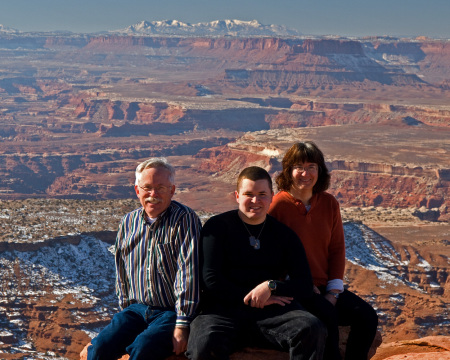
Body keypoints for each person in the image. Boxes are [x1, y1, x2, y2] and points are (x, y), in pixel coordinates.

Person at [186, 166, 326, 360]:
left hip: (272, 313)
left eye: (262, 194)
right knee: (203, 343)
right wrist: (253, 297)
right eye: (248, 194)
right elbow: (211, 280)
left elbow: (304, 284)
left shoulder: (284, 235)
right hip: (222, 311)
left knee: (311, 328)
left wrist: (271, 287)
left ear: (271, 196)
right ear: (237, 196)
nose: (255, 201)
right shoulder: (217, 228)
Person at [268, 141, 378, 360]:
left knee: (367, 317)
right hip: (297, 287)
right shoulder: (278, 206)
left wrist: (334, 291)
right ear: (289, 170)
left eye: (312, 167)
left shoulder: (329, 203)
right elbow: (271, 255)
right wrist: (301, 283)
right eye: (299, 166)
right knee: (326, 319)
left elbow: (336, 248)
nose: (306, 173)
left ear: (320, 171)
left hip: (325, 286)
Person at [87, 157, 202, 360]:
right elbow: (121, 271)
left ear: (172, 190)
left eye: (160, 188)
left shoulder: (184, 219)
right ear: (137, 190)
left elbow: (188, 271)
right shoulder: (128, 222)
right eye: (147, 188)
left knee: (142, 348)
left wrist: (182, 324)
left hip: (169, 312)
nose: (153, 195)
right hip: (136, 310)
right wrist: (124, 312)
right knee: (98, 348)